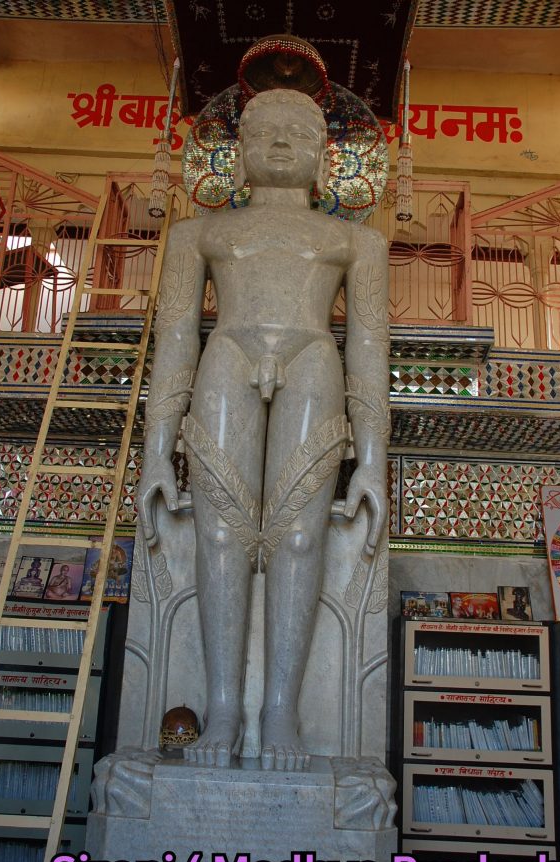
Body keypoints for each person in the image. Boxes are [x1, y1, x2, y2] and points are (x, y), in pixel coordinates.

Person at [137, 88, 389, 771]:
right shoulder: (198, 234)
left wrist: (372, 461)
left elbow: (369, 348)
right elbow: (175, 338)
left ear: (325, 157)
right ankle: (223, 706)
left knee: (300, 536)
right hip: (227, 354)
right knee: (219, 533)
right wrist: (156, 452)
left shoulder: (356, 241)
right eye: (264, 130)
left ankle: (280, 706)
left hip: (314, 360)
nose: (280, 141)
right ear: (238, 150)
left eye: (299, 132)